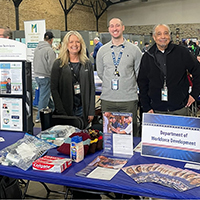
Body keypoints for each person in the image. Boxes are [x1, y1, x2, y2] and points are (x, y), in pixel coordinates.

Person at [137, 24, 200, 116]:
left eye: (165, 33)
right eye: (159, 34)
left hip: (180, 108)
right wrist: (146, 106)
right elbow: (142, 83)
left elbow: (197, 71)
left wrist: (194, 94)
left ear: (169, 36)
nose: (163, 37)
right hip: (155, 109)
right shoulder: (147, 57)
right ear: (154, 37)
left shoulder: (182, 52)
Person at [97, 17, 142, 137]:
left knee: (129, 132)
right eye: (111, 26)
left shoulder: (134, 50)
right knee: (109, 132)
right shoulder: (102, 51)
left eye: (117, 25)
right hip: (108, 99)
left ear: (123, 28)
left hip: (128, 99)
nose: (114, 28)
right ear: (109, 29)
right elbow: (101, 73)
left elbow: (138, 73)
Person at [51, 31, 95, 129]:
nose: (74, 45)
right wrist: (61, 111)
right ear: (66, 45)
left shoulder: (87, 63)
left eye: (77, 42)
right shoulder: (58, 64)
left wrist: (91, 111)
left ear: (81, 44)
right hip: (65, 110)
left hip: (82, 110)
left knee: (82, 139)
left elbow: (92, 88)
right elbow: (54, 89)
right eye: (71, 42)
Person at [33, 31, 56, 123]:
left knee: (45, 94)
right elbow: (52, 65)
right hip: (46, 76)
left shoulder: (37, 49)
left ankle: (54, 108)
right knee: (43, 97)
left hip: (37, 76)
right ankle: (39, 117)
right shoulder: (49, 50)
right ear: (51, 40)